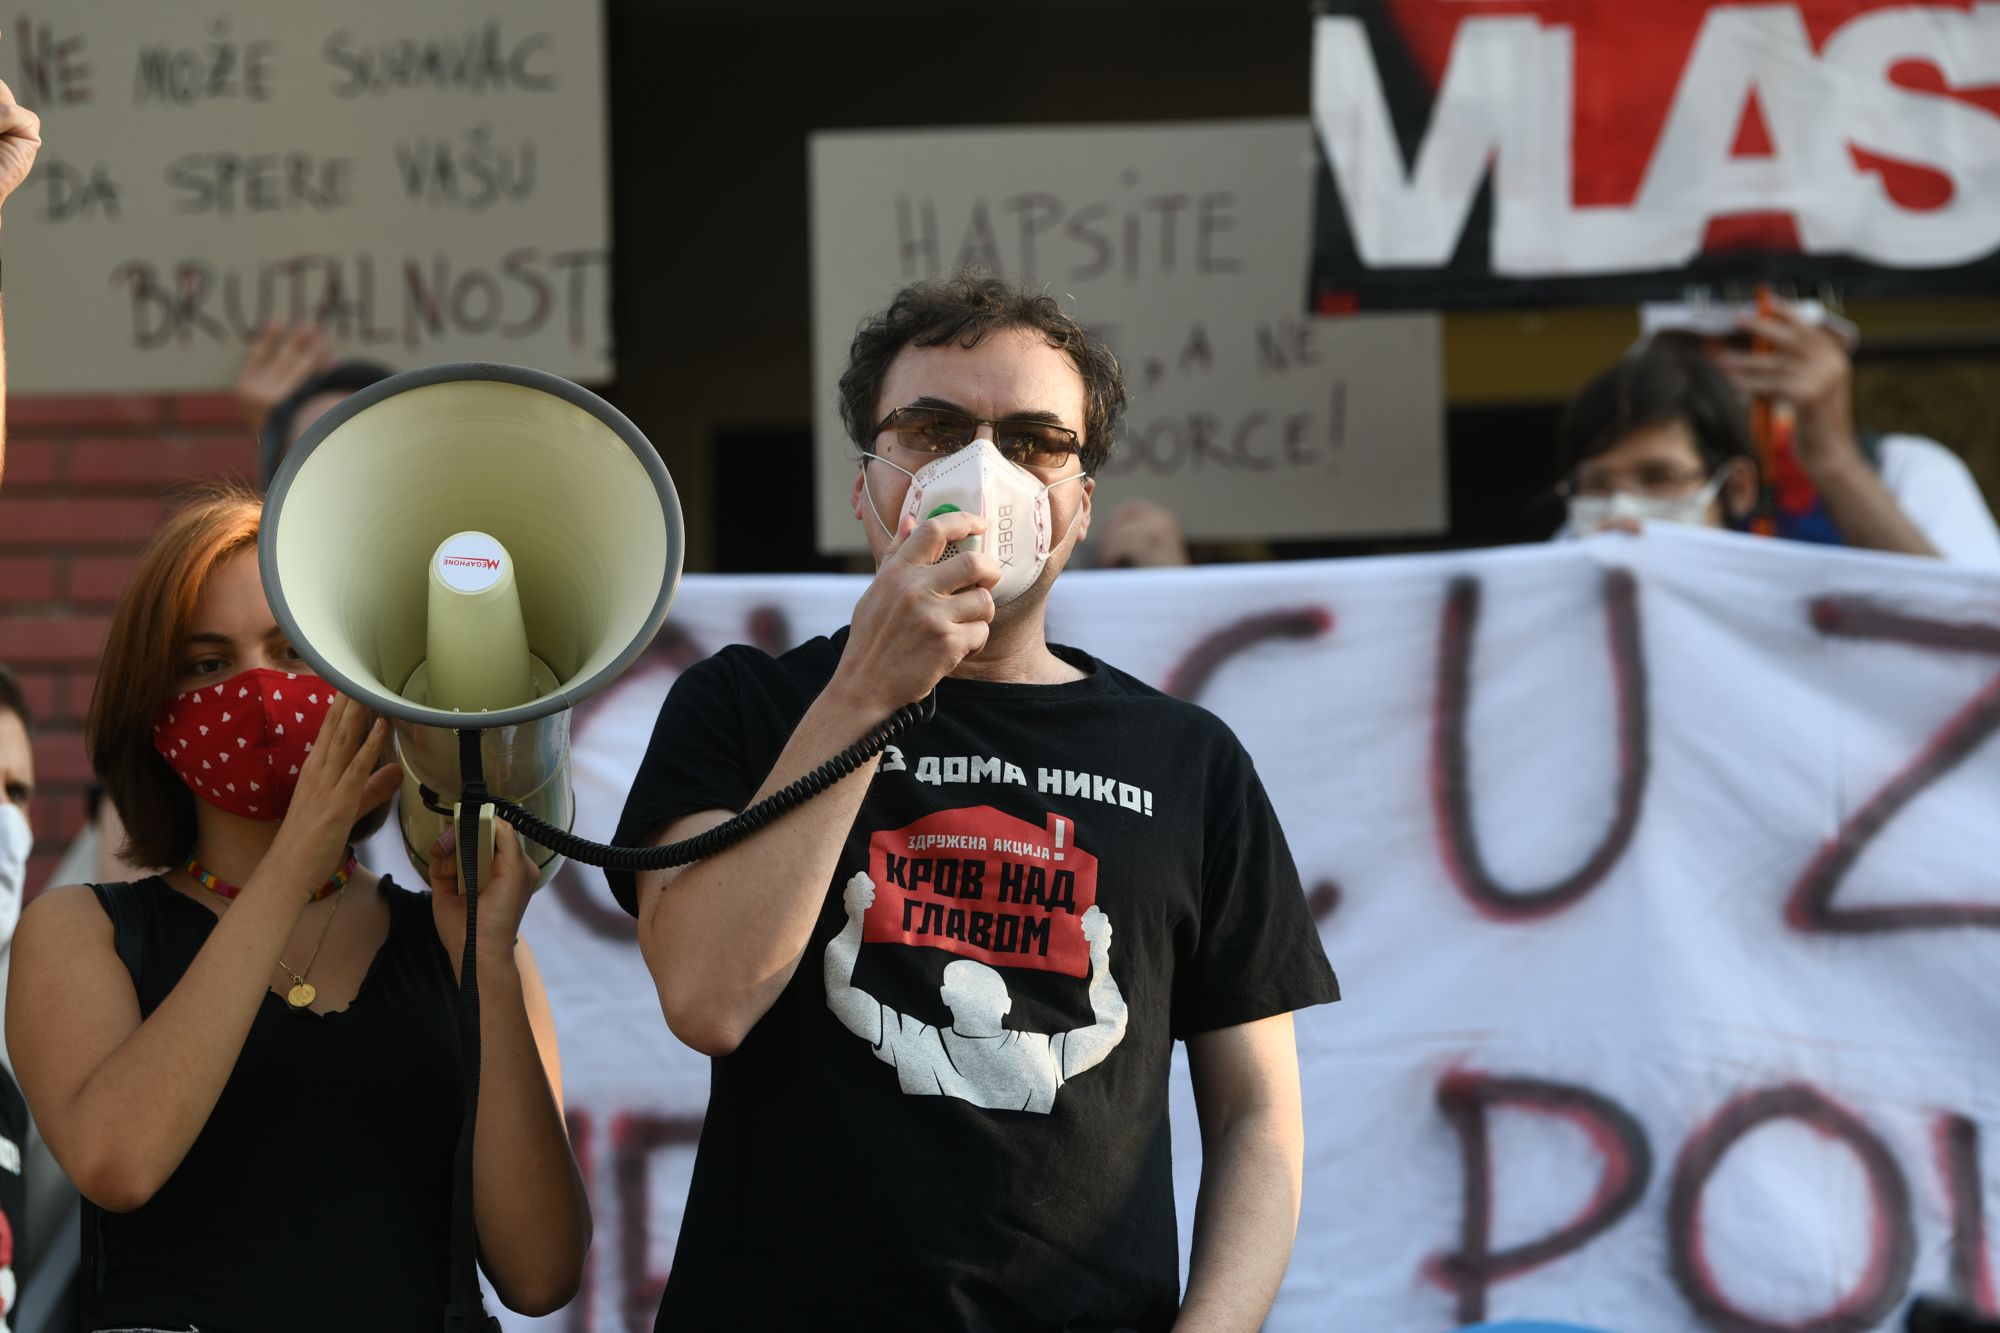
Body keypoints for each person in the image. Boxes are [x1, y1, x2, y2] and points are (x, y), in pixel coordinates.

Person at [610, 271, 1339, 1331]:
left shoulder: (1188, 760)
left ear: (1078, 504)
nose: (981, 469)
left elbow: (1256, 1116)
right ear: (868, 483)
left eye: (1036, 440)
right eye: (934, 428)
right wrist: (867, 690)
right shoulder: (744, 706)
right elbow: (707, 998)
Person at [4, 488, 589, 1329]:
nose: (260, 689)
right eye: (207, 664)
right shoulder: (81, 932)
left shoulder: (463, 945)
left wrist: (486, 966)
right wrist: (290, 866)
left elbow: (540, 1274)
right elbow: (118, 1160)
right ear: (153, 710)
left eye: (290, 652)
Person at [1560, 310, 2000, 565]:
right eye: (1688, 347)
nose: (1721, 367)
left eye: (1748, 343)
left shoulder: (1905, 468)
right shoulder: (1607, 498)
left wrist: (1835, 461)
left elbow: (1972, 633)